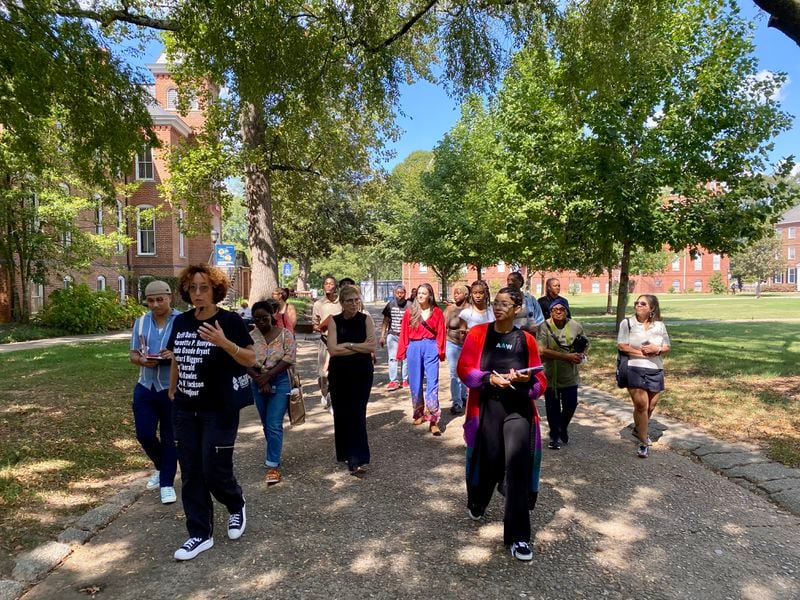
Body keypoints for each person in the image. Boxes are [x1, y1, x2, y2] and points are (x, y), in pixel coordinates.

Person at [167, 264, 256, 561]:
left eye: (203, 287)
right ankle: (199, 534)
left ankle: (235, 503)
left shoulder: (229, 321)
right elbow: (179, 356)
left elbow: (250, 358)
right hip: (185, 408)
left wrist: (223, 342)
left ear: (215, 290)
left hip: (219, 409)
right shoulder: (180, 322)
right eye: (192, 288)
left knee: (213, 470)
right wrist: (173, 387)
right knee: (191, 472)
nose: (197, 293)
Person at [457, 287, 547, 562]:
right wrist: (488, 379)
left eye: (504, 304)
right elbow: (464, 369)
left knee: (517, 467)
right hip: (487, 408)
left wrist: (525, 381)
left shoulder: (527, 340)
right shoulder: (478, 334)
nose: (498, 307)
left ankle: (518, 537)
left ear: (518, 308)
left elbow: (540, 380)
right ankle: (478, 500)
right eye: (496, 303)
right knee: (490, 462)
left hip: (518, 410)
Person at [129, 280, 180, 505]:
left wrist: (174, 355)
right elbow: (133, 355)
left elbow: (191, 353)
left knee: (170, 437)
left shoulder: (182, 321)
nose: (156, 304)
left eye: (160, 299)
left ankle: (167, 483)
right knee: (144, 434)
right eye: (151, 300)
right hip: (145, 387)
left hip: (171, 388)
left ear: (170, 297)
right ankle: (161, 467)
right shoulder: (140, 323)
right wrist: (142, 360)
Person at [327, 285, 377, 475]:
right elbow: (333, 350)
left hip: (361, 372)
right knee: (341, 413)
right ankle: (345, 453)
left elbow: (371, 347)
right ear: (342, 302)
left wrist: (347, 345)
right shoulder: (334, 321)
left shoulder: (366, 319)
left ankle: (357, 458)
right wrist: (358, 346)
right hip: (339, 373)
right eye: (349, 300)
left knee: (357, 413)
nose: (354, 304)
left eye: (357, 300)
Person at [246, 300, 296, 485]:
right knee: (266, 424)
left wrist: (268, 377)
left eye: (264, 318)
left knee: (274, 423)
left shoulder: (285, 335)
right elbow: (244, 361)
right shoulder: (250, 337)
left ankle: (272, 466)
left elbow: (289, 358)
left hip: (280, 380)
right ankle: (273, 452)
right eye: (256, 318)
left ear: (272, 316)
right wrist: (259, 379)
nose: (260, 322)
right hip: (257, 381)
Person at [617, 294, 671, 459]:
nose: (638, 305)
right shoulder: (627, 323)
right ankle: (643, 442)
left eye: (643, 303)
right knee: (641, 405)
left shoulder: (659, 326)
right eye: (637, 303)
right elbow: (622, 346)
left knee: (651, 406)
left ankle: (638, 428)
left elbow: (667, 346)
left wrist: (658, 350)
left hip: (656, 368)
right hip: (634, 368)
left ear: (652, 308)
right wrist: (642, 353)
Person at [536, 297, 588, 450]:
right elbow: (541, 350)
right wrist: (566, 356)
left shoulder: (575, 326)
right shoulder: (544, 326)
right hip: (550, 375)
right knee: (552, 407)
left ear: (566, 311)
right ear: (550, 311)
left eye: (561, 309)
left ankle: (562, 427)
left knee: (571, 404)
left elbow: (585, 344)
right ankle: (554, 436)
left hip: (569, 375)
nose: (558, 312)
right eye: (554, 309)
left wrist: (580, 356)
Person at [396, 282, 446, 436]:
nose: (421, 295)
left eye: (424, 293)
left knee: (432, 382)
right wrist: (401, 351)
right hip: (414, 347)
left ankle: (433, 419)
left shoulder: (436, 312)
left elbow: (441, 332)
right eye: (419, 293)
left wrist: (441, 351)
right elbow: (404, 332)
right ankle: (418, 413)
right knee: (415, 382)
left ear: (430, 295)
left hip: (431, 347)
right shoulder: (410, 312)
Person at [312, 275, 342, 409]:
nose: (329, 286)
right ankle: (324, 393)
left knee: (337, 370)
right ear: (323, 286)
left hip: (340, 341)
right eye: (326, 284)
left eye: (331, 284)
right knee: (322, 372)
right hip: (324, 340)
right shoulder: (318, 304)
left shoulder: (341, 302)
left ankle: (335, 396)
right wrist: (319, 327)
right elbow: (314, 324)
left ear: (336, 286)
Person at [444, 283, 470, 414]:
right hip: (452, 343)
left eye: (458, 292)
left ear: (466, 295)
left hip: (467, 345)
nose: (455, 295)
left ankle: (464, 396)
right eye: (454, 292)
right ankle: (457, 402)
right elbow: (442, 325)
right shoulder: (450, 309)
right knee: (454, 373)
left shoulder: (471, 309)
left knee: (464, 372)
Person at [380, 285, 409, 391]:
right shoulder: (390, 305)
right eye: (397, 292)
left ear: (405, 293)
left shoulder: (410, 305)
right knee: (392, 358)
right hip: (393, 335)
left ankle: (404, 379)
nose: (400, 295)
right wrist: (382, 336)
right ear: (394, 293)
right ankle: (393, 380)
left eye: (402, 292)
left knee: (405, 358)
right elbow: (385, 321)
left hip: (405, 336)